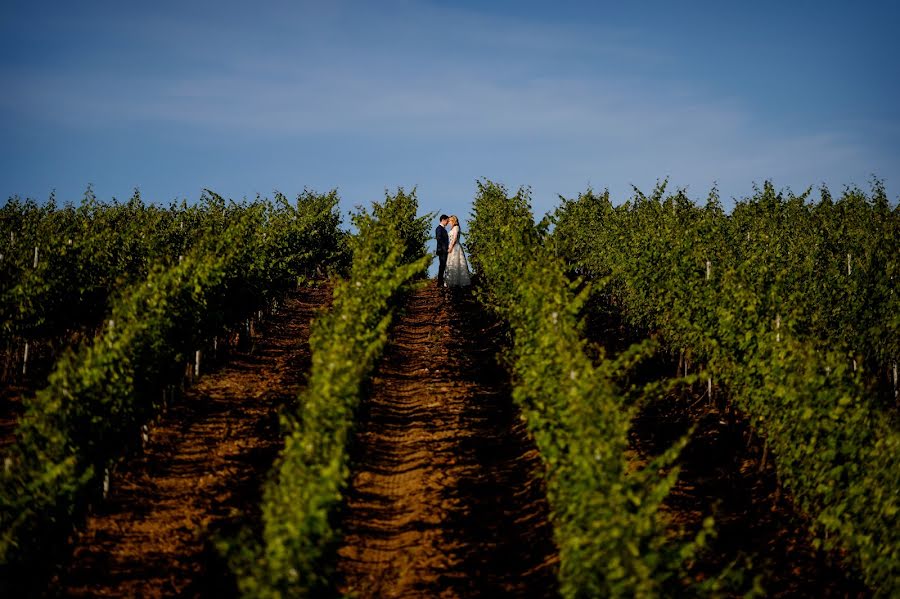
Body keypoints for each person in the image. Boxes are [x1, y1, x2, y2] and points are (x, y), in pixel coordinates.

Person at [445, 215, 471, 287]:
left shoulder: (456, 227)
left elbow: (455, 238)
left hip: (455, 247)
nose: (449, 222)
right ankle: (451, 281)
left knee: (456, 263)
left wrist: (451, 247)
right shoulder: (452, 228)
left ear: (453, 221)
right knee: (451, 263)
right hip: (451, 246)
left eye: (450, 221)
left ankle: (456, 281)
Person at [435, 214, 450, 288]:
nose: (447, 222)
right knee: (442, 265)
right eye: (447, 221)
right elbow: (439, 238)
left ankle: (441, 281)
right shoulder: (439, 228)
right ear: (443, 220)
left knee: (443, 265)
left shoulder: (443, 229)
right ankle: (440, 282)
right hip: (442, 250)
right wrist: (444, 248)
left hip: (444, 250)